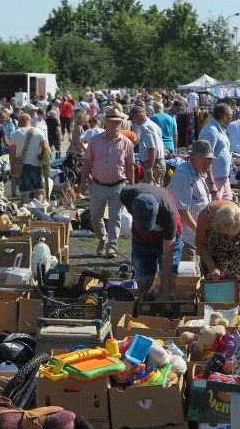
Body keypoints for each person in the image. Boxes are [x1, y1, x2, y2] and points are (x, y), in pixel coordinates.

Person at [77, 107, 135, 257]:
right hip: (98, 184)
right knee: (96, 217)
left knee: (115, 217)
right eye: (112, 122)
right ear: (106, 123)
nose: (115, 125)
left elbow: (130, 167)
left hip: (119, 185)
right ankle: (102, 239)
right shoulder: (95, 141)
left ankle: (112, 246)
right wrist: (82, 183)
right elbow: (87, 163)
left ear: (121, 124)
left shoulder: (127, 143)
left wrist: (133, 188)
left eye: (118, 123)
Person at [120, 184, 183, 300]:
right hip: (141, 240)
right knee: (144, 286)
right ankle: (147, 311)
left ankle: (166, 313)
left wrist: (164, 291)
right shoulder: (126, 195)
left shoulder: (168, 213)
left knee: (170, 285)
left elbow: (168, 258)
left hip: (167, 239)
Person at [194, 200, 240, 304]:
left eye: (232, 234)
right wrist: (212, 266)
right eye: (224, 234)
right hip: (215, 251)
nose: (228, 238)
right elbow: (200, 244)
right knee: (216, 290)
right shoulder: (206, 216)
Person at [167, 139, 214, 272]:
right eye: (205, 161)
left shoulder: (198, 174)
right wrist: (201, 231)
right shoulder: (183, 175)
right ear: (193, 157)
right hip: (187, 240)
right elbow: (181, 212)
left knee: (198, 276)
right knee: (188, 280)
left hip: (196, 238)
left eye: (210, 161)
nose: (208, 164)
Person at [10, 112, 49, 204]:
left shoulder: (15, 133)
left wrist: (12, 166)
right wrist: (46, 166)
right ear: (31, 121)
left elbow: (12, 153)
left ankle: (28, 213)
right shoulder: (39, 132)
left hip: (22, 166)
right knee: (39, 190)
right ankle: (37, 211)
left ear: (20, 122)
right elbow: (45, 150)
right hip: (36, 165)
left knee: (25, 193)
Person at [199, 103, 233, 201]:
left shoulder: (220, 129)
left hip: (223, 177)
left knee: (227, 208)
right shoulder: (211, 131)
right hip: (215, 179)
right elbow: (206, 157)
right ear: (224, 116)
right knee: (215, 211)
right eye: (230, 116)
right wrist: (211, 182)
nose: (231, 119)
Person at [129, 106, 165, 186]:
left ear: (138, 115)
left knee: (153, 193)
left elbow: (152, 148)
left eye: (133, 118)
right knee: (159, 191)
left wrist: (149, 168)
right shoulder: (153, 125)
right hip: (158, 163)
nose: (132, 121)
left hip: (154, 164)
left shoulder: (145, 127)